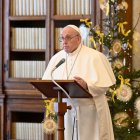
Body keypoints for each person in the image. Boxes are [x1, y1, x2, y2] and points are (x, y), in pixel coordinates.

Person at [42, 24, 116, 140]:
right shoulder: (57, 58)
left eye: (68, 37)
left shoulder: (95, 57)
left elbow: (104, 86)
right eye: (62, 38)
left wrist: (86, 85)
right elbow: (47, 83)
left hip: (90, 112)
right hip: (67, 112)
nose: (64, 42)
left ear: (78, 39)